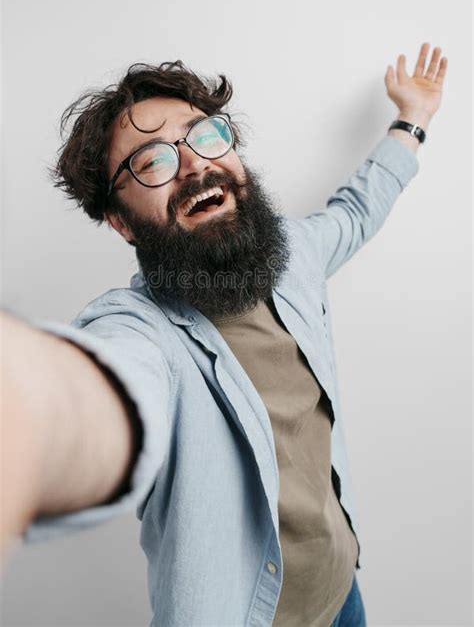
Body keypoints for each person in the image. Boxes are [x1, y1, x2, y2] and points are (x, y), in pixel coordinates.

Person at [1, 43, 447, 626]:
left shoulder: (294, 258)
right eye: (152, 161)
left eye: (203, 135)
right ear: (119, 220)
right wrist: (32, 416)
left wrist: (411, 118)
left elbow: (357, 209)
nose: (193, 165)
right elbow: (100, 390)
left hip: (343, 596)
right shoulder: (142, 332)